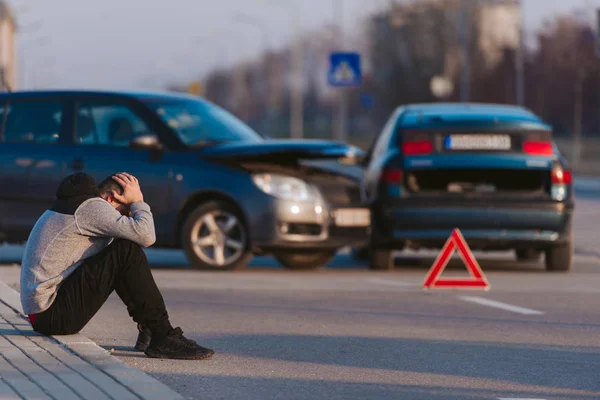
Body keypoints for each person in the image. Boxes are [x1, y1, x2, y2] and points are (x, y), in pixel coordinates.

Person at [20, 172, 215, 360]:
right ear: (111, 198)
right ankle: (162, 336)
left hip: (45, 314)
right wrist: (138, 202)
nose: (127, 218)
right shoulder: (92, 208)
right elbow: (147, 236)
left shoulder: (78, 205)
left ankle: (150, 330)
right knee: (125, 250)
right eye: (125, 212)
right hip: (51, 315)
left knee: (121, 250)